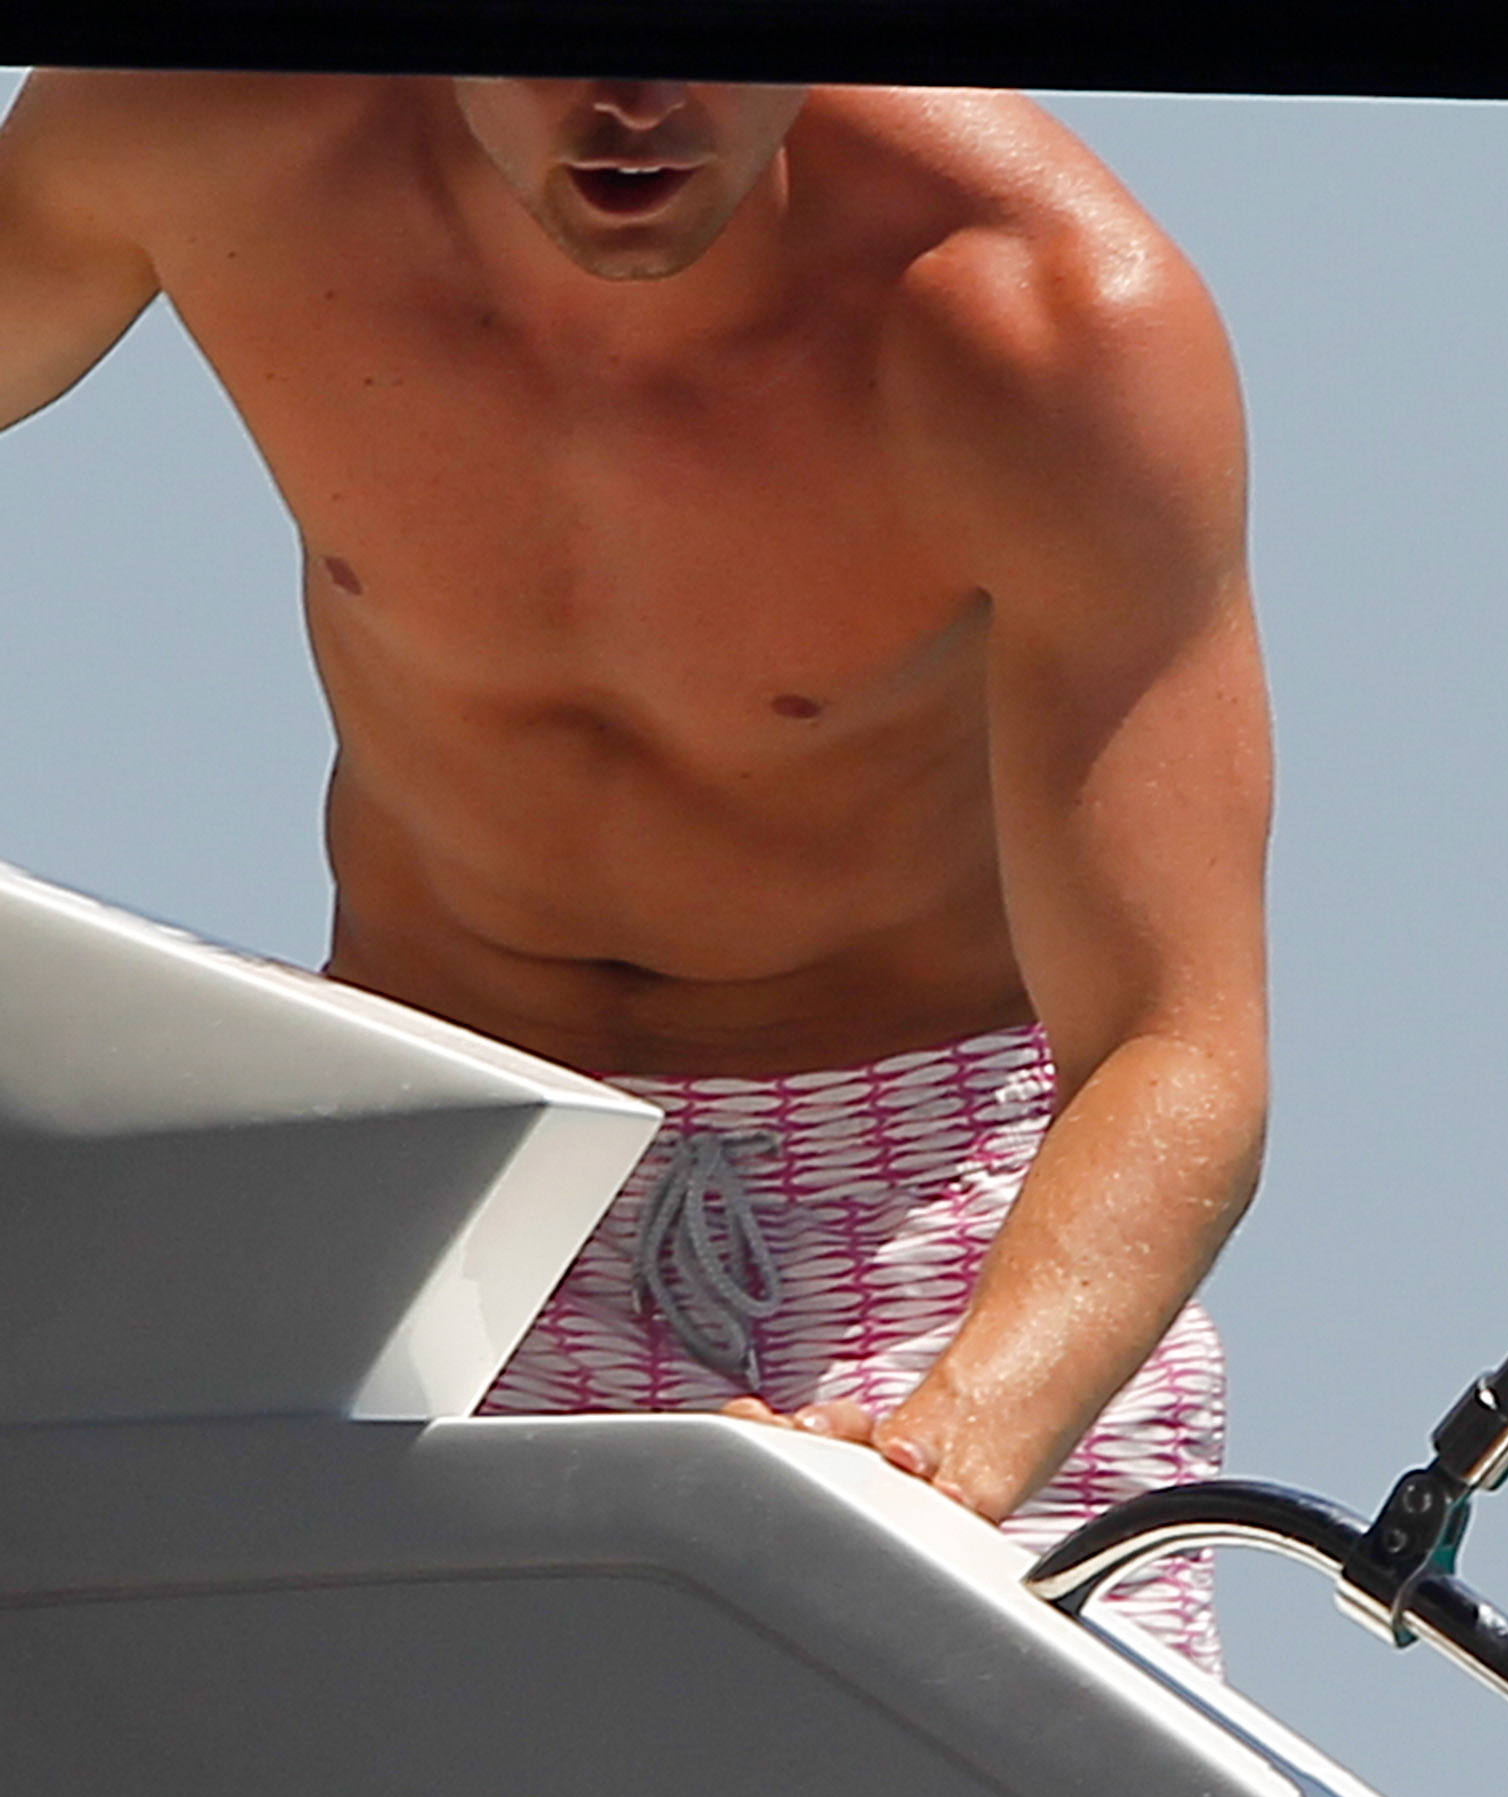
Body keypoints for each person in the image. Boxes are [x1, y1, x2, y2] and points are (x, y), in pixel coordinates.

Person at [0, 74, 1265, 1660]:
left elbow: (1174, 1045)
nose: (635, 101)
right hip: (429, 1157)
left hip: (932, 1228)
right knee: (254, 1774)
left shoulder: (1045, 318)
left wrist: (947, 1455)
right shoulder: (205, 132)